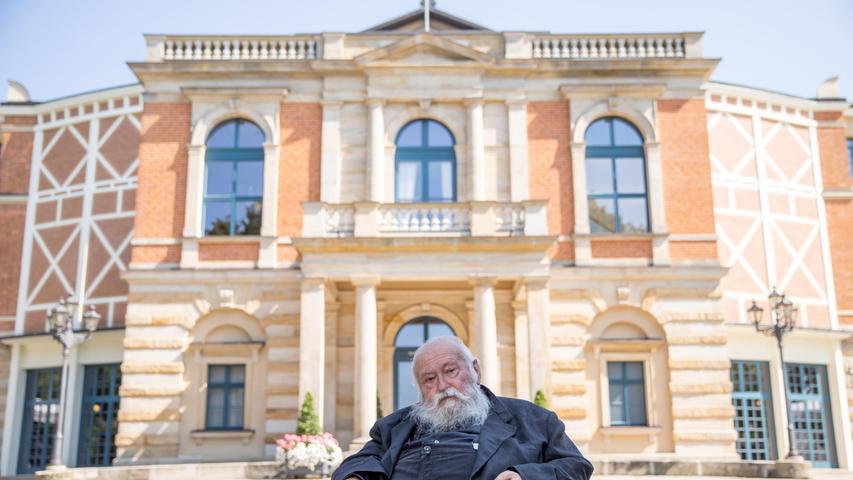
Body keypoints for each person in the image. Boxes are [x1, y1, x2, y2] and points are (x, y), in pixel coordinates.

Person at [332, 336, 594, 480]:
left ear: (475, 370)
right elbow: (357, 462)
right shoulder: (395, 427)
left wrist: (523, 476)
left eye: (451, 371)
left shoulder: (533, 419)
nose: (444, 385)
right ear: (421, 388)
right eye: (430, 379)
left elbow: (576, 467)